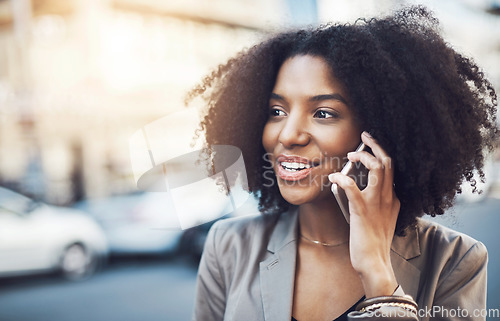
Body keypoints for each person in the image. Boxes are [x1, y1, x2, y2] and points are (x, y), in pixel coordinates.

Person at [189, 6, 498, 321]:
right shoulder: (227, 245)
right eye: (276, 111)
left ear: (379, 130)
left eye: (323, 113)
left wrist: (378, 274)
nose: (288, 135)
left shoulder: (456, 260)